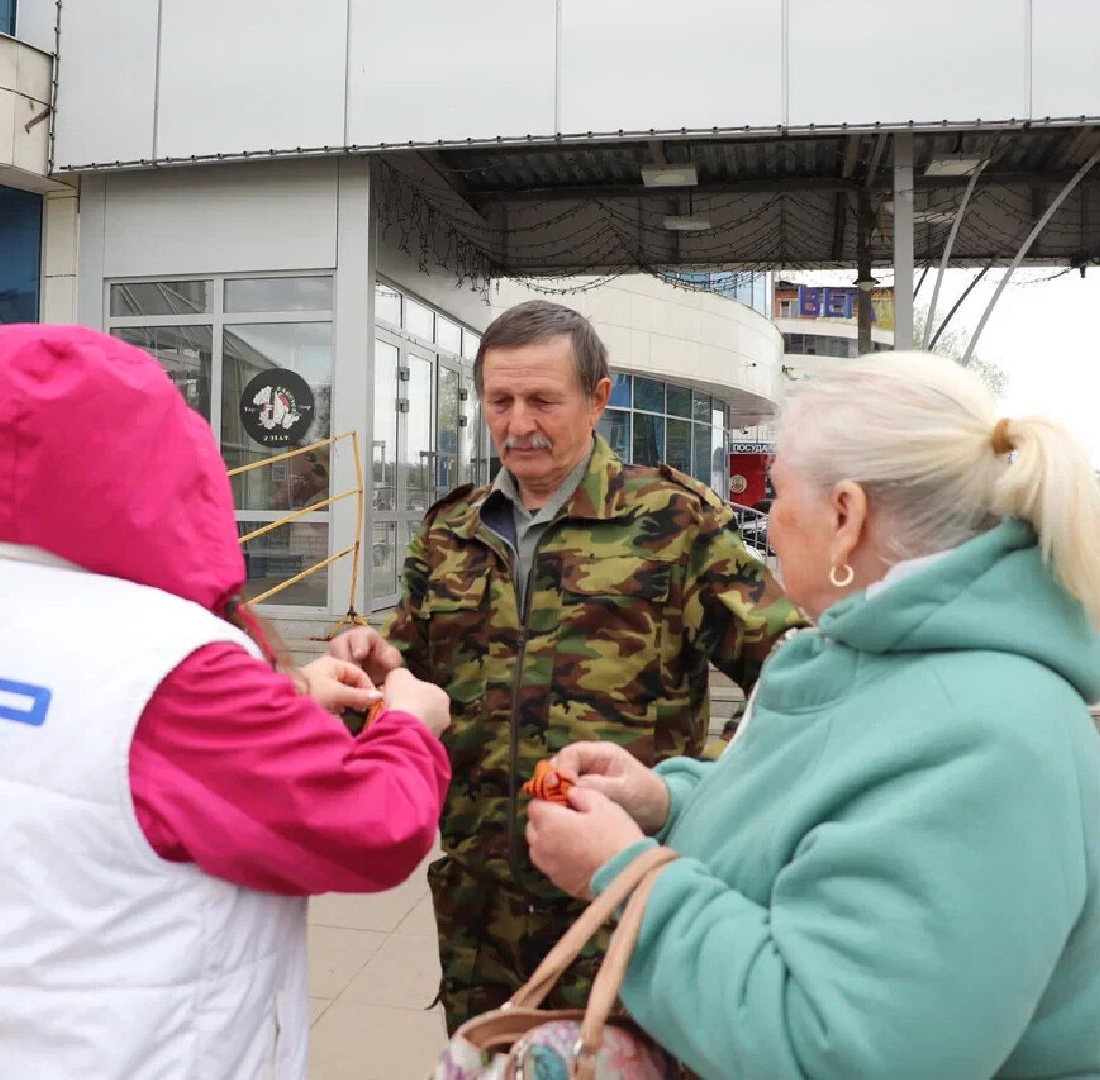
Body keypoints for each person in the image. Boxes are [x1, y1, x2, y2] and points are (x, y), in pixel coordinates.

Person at [0, 325, 452, 1079]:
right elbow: (368, 824)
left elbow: (89, 743)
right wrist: (408, 721)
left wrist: (285, 694)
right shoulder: (175, 669)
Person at [526, 351, 1100, 1078]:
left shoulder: (983, 739)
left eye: (777, 492)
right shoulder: (882, 660)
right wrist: (664, 802)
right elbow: (811, 816)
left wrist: (625, 876)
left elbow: (840, 1052)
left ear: (846, 516)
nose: (769, 522)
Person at [329, 299, 806, 1031]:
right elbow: (413, 669)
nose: (518, 424)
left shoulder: (673, 523)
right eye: (500, 401)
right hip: (479, 909)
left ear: (597, 399)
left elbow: (791, 672)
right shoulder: (450, 531)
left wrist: (697, 794)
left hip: (617, 899)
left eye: (542, 401)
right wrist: (373, 663)